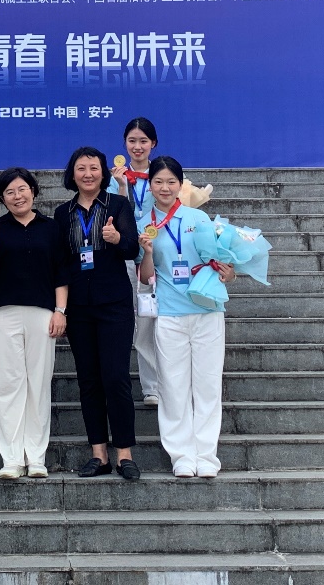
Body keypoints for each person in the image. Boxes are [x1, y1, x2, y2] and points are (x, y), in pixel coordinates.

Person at [137, 156, 237, 479]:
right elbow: (145, 277)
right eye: (158, 182)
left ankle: (206, 455)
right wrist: (147, 252)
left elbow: (222, 264)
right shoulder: (144, 223)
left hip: (207, 310)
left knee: (207, 385)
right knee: (173, 386)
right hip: (169, 313)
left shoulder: (199, 218)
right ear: (150, 186)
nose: (165, 188)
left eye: (171, 182)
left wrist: (229, 272)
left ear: (181, 185)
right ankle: (181, 455)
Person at [54, 146, 142, 481]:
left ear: (103, 172)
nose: (88, 174)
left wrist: (117, 238)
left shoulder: (118, 205)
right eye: (81, 168)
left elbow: (132, 248)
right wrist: (61, 308)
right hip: (79, 306)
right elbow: (61, 262)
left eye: (94, 168)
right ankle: (99, 454)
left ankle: (124, 454)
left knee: (116, 377)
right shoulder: (63, 213)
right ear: (72, 174)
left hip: (114, 303)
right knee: (89, 380)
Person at [0, 167, 69, 480]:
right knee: (9, 384)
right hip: (3, 312)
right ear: (2, 198)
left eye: (22, 189)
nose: (17, 196)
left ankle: (36, 457)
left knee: (38, 383)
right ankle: (12, 458)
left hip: (42, 312)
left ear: (33, 191)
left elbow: (61, 271)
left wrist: (60, 310)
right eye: (9, 192)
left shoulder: (51, 227)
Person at [109, 116, 162, 406]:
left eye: (143, 141)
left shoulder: (162, 174)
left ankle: (156, 385)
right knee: (136, 321)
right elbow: (112, 216)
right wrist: (121, 187)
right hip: (127, 257)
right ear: (124, 144)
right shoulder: (113, 178)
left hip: (158, 254)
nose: (137, 146)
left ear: (153, 143)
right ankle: (143, 386)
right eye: (132, 141)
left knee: (153, 323)